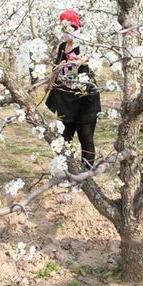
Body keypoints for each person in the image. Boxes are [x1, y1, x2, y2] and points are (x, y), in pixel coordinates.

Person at [45, 10, 101, 169]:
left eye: (71, 27)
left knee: (86, 139)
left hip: (85, 101)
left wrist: (80, 62)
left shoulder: (85, 44)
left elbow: (89, 59)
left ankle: (87, 174)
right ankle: (69, 170)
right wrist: (49, 84)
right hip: (66, 100)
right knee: (64, 139)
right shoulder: (63, 46)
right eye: (64, 28)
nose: (67, 31)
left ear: (77, 27)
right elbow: (56, 68)